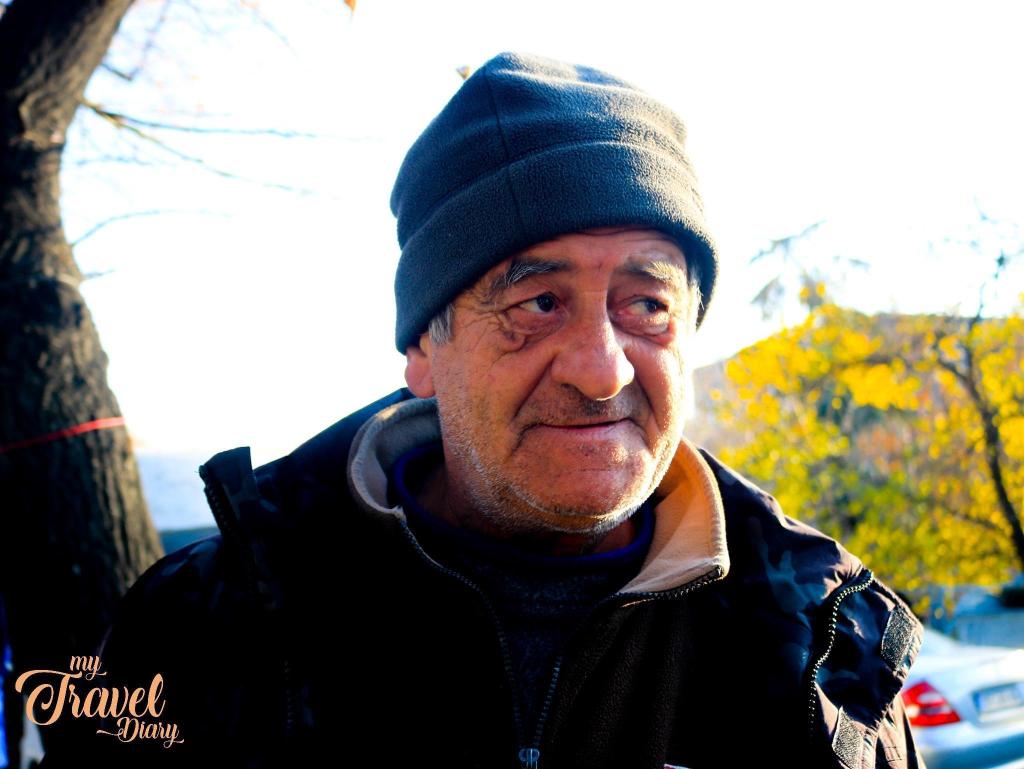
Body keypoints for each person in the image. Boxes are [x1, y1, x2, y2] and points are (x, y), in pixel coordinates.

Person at [39, 51, 923, 768]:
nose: (602, 370)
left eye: (646, 303)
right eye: (538, 302)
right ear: (425, 347)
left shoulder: (827, 650)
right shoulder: (203, 633)